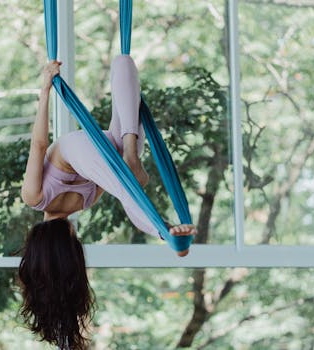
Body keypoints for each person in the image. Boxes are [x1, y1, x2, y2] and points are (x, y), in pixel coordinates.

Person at [18, 55, 197, 349]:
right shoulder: (85, 202)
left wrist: (45, 90)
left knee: (128, 190)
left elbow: (39, 144)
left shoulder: (35, 197)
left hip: (75, 149)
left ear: (70, 247)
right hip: (109, 153)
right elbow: (107, 175)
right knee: (124, 66)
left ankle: (164, 231)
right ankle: (130, 149)